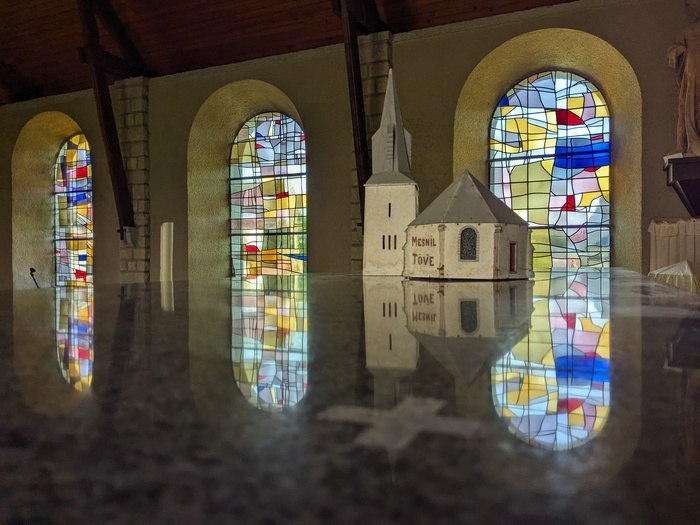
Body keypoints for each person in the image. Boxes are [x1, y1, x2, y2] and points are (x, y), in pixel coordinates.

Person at [669, 0, 700, 155]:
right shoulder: (686, 32)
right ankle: (689, 143)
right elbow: (673, 52)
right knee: (688, 107)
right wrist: (678, 52)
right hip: (692, 74)